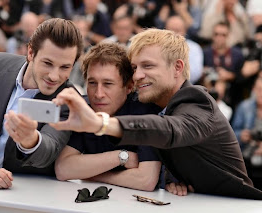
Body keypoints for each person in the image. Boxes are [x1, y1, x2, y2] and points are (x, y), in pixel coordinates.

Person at [50, 28, 262, 199]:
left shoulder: (197, 101)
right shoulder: (156, 104)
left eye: (148, 66)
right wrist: (171, 177)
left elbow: (169, 129)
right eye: (134, 68)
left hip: (236, 206)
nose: (138, 75)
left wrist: (101, 125)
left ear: (177, 67)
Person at [0, 18, 83, 190]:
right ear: (30, 52)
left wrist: (31, 140)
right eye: (47, 63)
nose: (54, 76)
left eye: (65, 67)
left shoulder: (69, 99)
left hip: (26, 196)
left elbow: (50, 149)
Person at [55, 42, 162, 192]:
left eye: (108, 84)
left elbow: (146, 180)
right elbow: (63, 169)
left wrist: (91, 175)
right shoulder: (83, 108)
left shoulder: (147, 113)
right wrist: (120, 157)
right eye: (92, 83)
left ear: (129, 87)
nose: (98, 94)